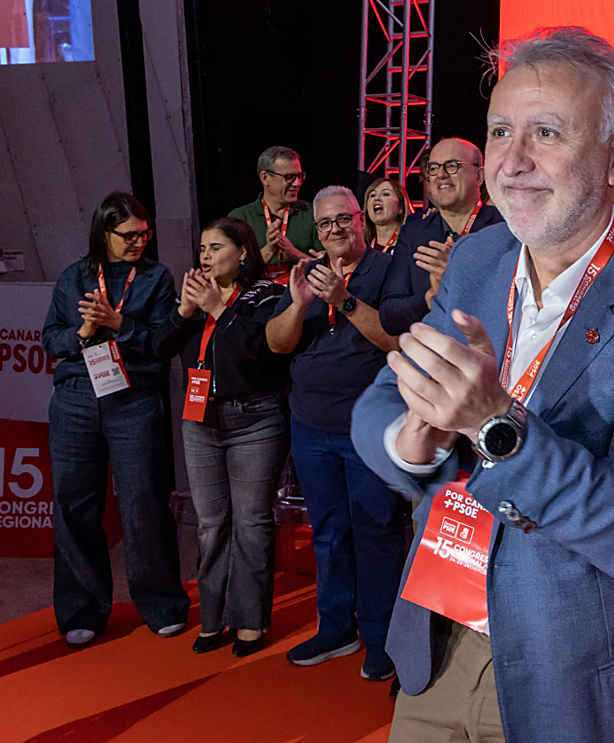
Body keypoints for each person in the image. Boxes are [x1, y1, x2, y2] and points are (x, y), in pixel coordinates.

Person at [351, 26, 614, 743]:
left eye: (548, 133)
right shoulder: (478, 261)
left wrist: (494, 424)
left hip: (576, 679)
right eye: (501, 131)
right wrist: (414, 439)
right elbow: (382, 397)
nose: (514, 161)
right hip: (441, 643)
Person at [265, 185, 412, 681]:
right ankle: (335, 629)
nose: (334, 230)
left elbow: (394, 340)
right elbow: (278, 344)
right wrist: (297, 302)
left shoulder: (388, 269)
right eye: (325, 224)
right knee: (327, 533)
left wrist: (343, 299)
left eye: (343, 220)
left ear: (361, 221)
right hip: (310, 426)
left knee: (378, 532)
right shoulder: (305, 273)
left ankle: (381, 636)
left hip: (367, 429)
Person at [42, 192, 190, 647]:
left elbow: (164, 341)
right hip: (76, 397)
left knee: (144, 502)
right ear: (104, 232)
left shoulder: (156, 279)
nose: (137, 243)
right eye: (128, 235)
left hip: (134, 396)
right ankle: (83, 608)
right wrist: (83, 332)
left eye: (144, 235)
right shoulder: (74, 277)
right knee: (74, 504)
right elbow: (50, 339)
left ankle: (161, 602)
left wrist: (120, 323)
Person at [151, 217, 290, 657]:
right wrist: (184, 312)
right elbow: (158, 347)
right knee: (211, 524)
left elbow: (259, 352)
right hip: (200, 421)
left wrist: (219, 309)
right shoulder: (194, 298)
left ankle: (249, 621)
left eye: (215, 248)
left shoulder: (265, 295)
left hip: (255, 419)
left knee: (250, 521)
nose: (205, 257)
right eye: (202, 250)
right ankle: (213, 617)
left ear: (243, 252)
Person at [378, 137, 505, 336]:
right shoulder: (413, 234)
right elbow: (389, 315)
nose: (441, 175)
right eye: (434, 168)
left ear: (479, 175)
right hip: (431, 354)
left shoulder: (505, 229)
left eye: (452, 166)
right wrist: (430, 298)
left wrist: (459, 277)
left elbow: (520, 304)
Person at [229, 146, 323, 281]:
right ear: (265, 178)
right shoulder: (240, 217)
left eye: (300, 176)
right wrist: (269, 249)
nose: (297, 183)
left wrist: (294, 255)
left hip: (305, 295)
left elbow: (328, 268)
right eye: (289, 177)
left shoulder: (312, 212)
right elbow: (233, 272)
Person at [364, 175, 413, 253]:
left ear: (401, 207)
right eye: (372, 195)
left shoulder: (410, 245)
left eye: (385, 194)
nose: (377, 198)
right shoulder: (361, 247)